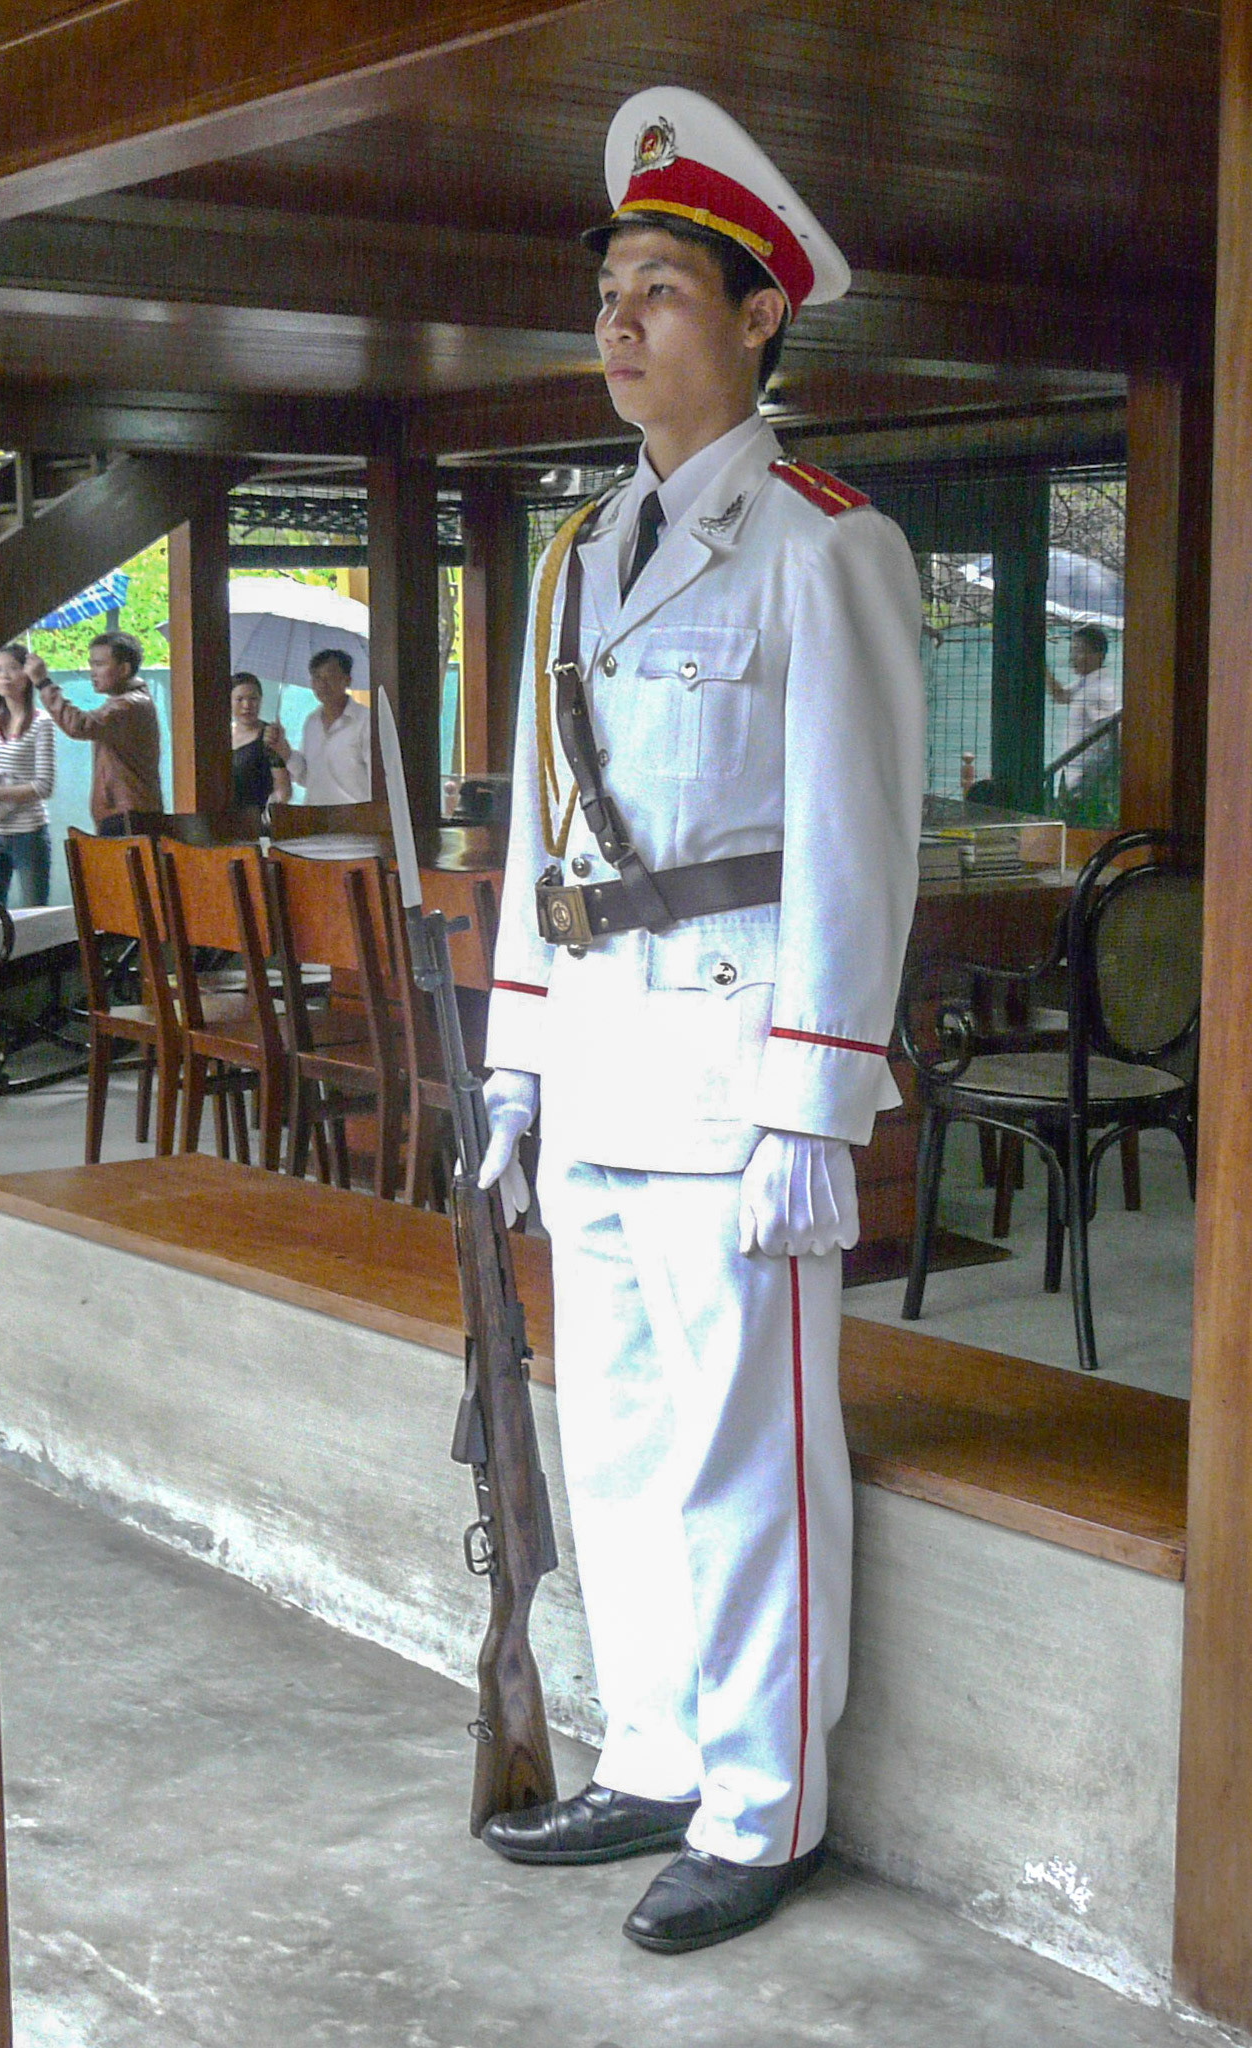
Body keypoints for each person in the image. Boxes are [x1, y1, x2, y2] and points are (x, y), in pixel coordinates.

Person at [476, 88, 924, 1954]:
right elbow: (536, 827)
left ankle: (760, 1801)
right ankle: (653, 1749)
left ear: (758, 320)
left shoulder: (827, 544)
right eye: (609, 293)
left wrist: (817, 1105)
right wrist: (512, 1053)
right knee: (625, 1441)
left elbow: (856, 835)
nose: (621, 321)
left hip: (737, 1077)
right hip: (594, 1063)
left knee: (751, 1459)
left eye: (662, 287)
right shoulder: (585, 552)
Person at [35, 630, 162, 831]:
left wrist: (43, 683)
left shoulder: (128, 706)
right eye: (91, 664)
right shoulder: (126, 702)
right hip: (125, 811)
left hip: (128, 814)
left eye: (100, 664)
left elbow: (79, 725)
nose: (92, 672)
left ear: (124, 669)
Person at [0, 643, 55, 906]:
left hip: (29, 833)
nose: (4, 676)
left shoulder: (41, 722)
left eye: (13, 669)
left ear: (27, 675)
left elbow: (44, 786)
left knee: (34, 913)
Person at [272, 648, 370, 804]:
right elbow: (306, 776)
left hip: (356, 820)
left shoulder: (365, 721)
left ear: (347, 680)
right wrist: (285, 750)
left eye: (330, 677)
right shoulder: (311, 722)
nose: (323, 685)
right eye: (317, 678)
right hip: (316, 819)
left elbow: (378, 778)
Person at [1045, 623, 1120, 822]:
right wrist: (1042, 669)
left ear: (1098, 655)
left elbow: (1109, 733)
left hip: (1085, 782)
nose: (1072, 658)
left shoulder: (1099, 690)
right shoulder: (1087, 683)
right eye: (1072, 651)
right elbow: (1060, 696)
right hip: (1076, 778)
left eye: (1078, 651)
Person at [230, 672, 291, 811]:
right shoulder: (220, 736)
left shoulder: (270, 738)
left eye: (253, 698)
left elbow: (284, 792)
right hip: (222, 821)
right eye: (239, 699)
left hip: (255, 823)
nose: (247, 705)